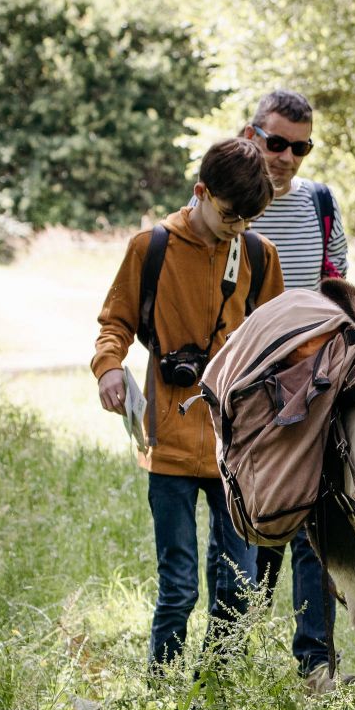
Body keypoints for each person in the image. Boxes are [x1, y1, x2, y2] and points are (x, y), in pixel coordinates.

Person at [93, 137, 285, 670]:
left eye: (249, 218)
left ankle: (217, 689)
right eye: (229, 214)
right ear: (201, 192)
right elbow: (116, 322)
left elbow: (279, 339)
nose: (238, 226)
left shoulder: (258, 255)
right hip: (169, 444)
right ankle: (164, 694)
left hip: (236, 446)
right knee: (177, 589)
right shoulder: (149, 248)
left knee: (238, 585)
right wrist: (109, 368)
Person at [235, 89, 352, 693]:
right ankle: (234, 650)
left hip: (313, 382)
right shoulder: (228, 201)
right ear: (251, 134)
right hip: (249, 388)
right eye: (276, 142)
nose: (286, 157)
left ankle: (315, 665)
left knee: (316, 518)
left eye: (299, 147)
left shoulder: (322, 205)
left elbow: (337, 288)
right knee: (256, 515)